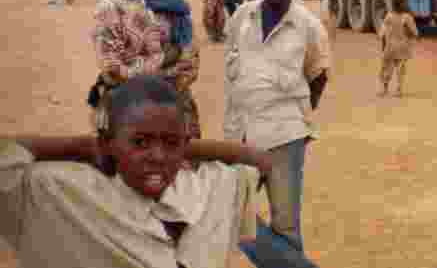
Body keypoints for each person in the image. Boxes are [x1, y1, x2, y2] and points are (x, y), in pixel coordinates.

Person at [0, 74, 280, 268]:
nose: (157, 157)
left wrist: (187, 148)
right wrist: (83, 146)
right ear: (107, 143)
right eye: (140, 142)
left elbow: (260, 162)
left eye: (170, 142)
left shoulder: (213, 186)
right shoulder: (62, 192)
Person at [224, 0, 330, 268]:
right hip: (240, 132)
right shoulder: (243, 16)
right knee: (233, 213)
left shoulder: (308, 26)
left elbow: (318, 75)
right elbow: (234, 58)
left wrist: (294, 115)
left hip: (285, 136)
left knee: (286, 226)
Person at [92, 0, 202, 139]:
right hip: (129, 116)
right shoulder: (112, 9)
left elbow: (190, 64)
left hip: (176, 115)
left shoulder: (176, 8)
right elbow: (112, 71)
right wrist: (164, 59)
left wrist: (141, 68)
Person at [377, 0, 419, 97]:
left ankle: (384, 89)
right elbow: (415, 32)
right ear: (403, 5)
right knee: (400, 69)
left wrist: (382, 44)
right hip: (403, 47)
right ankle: (398, 90)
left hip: (390, 47)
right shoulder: (407, 17)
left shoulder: (389, 16)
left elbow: (382, 32)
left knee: (387, 68)